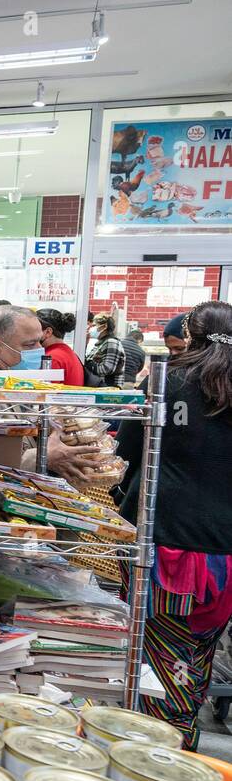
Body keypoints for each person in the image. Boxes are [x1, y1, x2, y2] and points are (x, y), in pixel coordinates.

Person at [117, 301, 232, 748]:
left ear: (191, 332)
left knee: (154, 654)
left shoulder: (170, 380)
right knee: (198, 652)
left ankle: (151, 747)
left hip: (164, 546)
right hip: (224, 560)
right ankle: (181, 741)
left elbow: (126, 451)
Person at [0, 306, 100, 480]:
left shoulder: (16, 383)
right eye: (30, 344)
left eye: (40, 342)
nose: (40, 350)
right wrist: (43, 457)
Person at [34, 308, 85, 386]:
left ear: (48, 332)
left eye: (35, 330)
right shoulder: (65, 352)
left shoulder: (51, 359)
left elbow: (44, 394)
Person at [85, 313, 127, 387]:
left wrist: (88, 364)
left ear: (104, 326)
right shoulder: (101, 343)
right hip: (99, 387)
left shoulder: (112, 342)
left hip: (108, 389)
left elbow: (106, 369)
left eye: (94, 325)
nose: (90, 328)